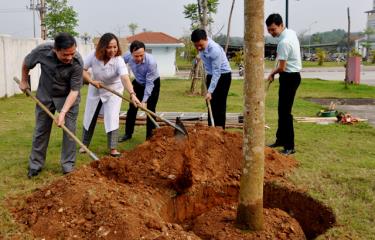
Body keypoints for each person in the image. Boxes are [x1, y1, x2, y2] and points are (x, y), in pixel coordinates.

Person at [19, 33, 83, 178]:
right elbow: (27, 63)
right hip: (45, 95)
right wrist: (24, 80)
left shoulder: (77, 62)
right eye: (65, 54)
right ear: (55, 49)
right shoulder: (41, 51)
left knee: (70, 132)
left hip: (68, 98)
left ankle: (68, 166)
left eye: (72, 53)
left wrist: (63, 113)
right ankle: (35, 165)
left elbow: (74, 91)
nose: (69, 57)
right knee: (41, 130)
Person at [80, 33, 140, 157]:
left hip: (113, 89)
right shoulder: (93, 55)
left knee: (112, 117)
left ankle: (112, 149)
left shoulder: (119, 60)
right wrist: (91, 81)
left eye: (115, 47)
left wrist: (132, 94)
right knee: (90, 115)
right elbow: (83, 70)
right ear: (103, 47)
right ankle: (84, 145)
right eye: (109, 47)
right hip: (96, 87)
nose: (113, 50)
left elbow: (125, 78)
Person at [266, 13, 302, 155]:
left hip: (289, 77)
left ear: (281, 25)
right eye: (269, 30)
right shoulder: (290, 33)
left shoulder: (284, 42)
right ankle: (280, 139)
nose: (271, 32)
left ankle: (289, 146)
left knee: (285, 112)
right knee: (281, 110)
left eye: (273, 29)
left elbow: (281, 67)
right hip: (290, 76)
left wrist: (271, 74)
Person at [119, 40, 160, 142]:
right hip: (138, 83)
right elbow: (118, 63)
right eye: (136, 56)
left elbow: (149, 83)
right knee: (132, 108)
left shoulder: (151, 62)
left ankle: (150, 138)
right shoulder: (127, 56)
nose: (139, 58)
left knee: (150, 110)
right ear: (131, 53)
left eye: (141, 55)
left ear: (145, 52)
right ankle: (128, 134)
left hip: (152, 83)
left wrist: (144, 100)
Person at [190, 29, 232, 128]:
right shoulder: (201, 47)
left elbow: (217, 73)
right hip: (211, 75)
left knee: (220, 105)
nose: (199, 48)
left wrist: (209, 91)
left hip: (223, 75)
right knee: (211, 104)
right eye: (196, 46)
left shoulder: (215, 50)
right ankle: (211, 130)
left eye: (201, 45)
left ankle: (220, 131)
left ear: (206, 40)